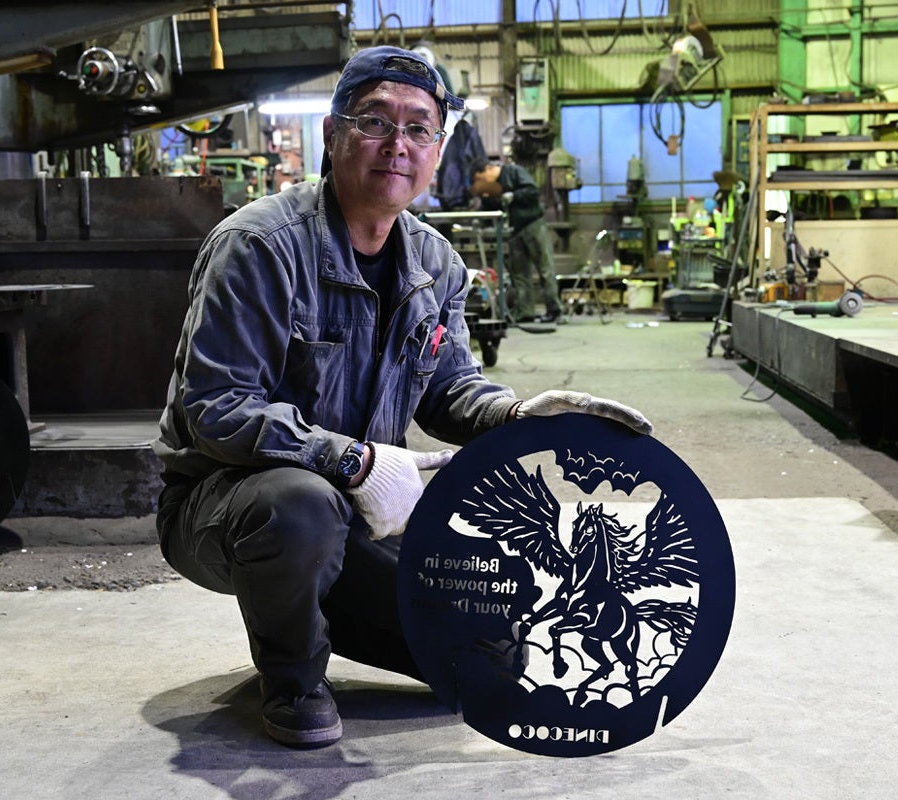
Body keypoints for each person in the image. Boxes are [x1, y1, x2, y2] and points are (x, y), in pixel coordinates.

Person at [152, 45, 652, 750]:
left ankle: (326, 603)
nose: (398, 144)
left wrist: (516, 416)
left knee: (492, 656)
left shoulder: (436, 264)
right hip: (228, 506)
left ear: (438, 151)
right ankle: (294, 679)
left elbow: (448, 389)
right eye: (375, 122)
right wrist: (353, 462)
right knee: (301, 505)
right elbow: (216, 408)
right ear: (333, 135)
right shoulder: (259, 246)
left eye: (419, 128)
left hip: (363, 513)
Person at [469, 157, 563, 323]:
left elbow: (532, 191)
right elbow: (489, 207)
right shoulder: (494, 188)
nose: (483, 183)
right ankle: (525, 312)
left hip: (533, 225)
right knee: (520, 274)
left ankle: (554, 310)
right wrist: (479, 218)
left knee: (545, 269)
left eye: (482, 178)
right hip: (513, 232)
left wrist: (514, 195)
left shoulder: (514, 172)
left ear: (489, 169)